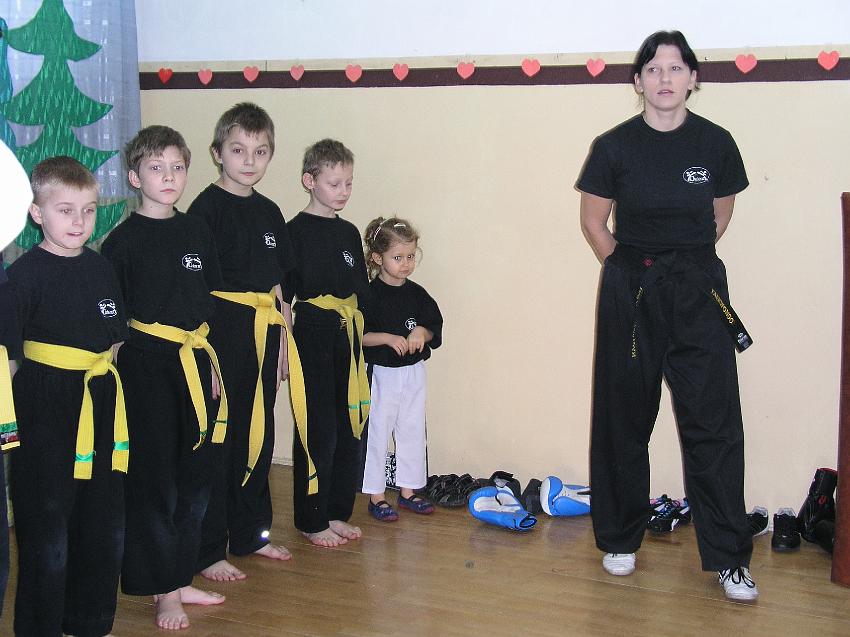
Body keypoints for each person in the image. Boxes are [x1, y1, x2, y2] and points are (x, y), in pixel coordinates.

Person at [576, 30, 758, 601]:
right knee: (624, 418)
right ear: (638, 81)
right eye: (653, 69)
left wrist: (683, 267)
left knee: (713, 423)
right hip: (632, 293)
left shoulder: (716, 143)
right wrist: (633, 270)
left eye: (676, 68)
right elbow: (594, 223)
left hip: (698, 292)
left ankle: (729, 557)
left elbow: (718, 216)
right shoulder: (613, 146)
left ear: (693, 79)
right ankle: (620, 539)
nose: (664, 78)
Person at [101, 126, 228, 629]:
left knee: (196, 475)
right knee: (155, 482)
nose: (168, 176)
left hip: (195, 362)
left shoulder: (197, 231)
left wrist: (212, 366)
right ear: (135, 178)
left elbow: (209, 302)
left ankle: (180, 574)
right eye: (156, 168)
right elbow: (113, 323)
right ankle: (162, 590)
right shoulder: (122, 242)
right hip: (146, 369)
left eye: (177, 167)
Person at [7, 156, 127, 636]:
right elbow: (9, 358)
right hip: (44, 407)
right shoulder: (23, 276)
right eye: (65, 210)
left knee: (101, 521)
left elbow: (114, 341)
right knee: (47, 524)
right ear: (37, 213)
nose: (79, 222)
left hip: (99, 401)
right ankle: (40, 626)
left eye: (88, 210)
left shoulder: (101, 269)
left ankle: (89, 620)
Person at [187, 102, 296, 582]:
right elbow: (194, 291)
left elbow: (278, 288)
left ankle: (251, 533)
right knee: (220, 437)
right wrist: (205, 358)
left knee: (260, 431)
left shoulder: (270, 213)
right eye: (238, 150)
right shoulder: (204, 211)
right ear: (218, 153)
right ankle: (209, 548)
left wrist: (284, 345)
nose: (249, 161)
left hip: (264, 331)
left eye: (260, 151)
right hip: (220, 332)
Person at [284, 139, 371, 547]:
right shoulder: (293, 232)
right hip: (312, 333)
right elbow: (284, 298)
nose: (343, 191)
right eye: (334, 183)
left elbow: (360, 293)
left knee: (350, 424)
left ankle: (337, 511)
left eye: (348, 183)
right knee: (318, 429)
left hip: (346, 335)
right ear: (309, 181)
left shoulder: (349, 232)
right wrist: (284, 349)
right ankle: (311, 517)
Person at [360, 217, 442, 520]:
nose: (406, 264)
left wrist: (422, 332)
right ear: (377, 257)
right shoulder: (368, 295)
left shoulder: (418, 294)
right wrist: (387, 338)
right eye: (398, 257)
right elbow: (358, 335)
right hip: (382, 374)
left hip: (413, 371)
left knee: (412, 430)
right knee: (378, 431)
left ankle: (409, 490)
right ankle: (376, 495)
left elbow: (433, 327)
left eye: (410, 256)